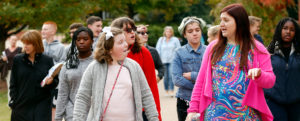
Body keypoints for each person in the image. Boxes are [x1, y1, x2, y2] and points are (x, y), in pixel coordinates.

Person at [186, 4, 276, 121]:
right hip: (215, 115)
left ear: (239, 22)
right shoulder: (213, 47)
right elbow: (201, 81)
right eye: (221, 20)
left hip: (246, 116)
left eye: (226, 20)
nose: (221, 24)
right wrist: (192, 109)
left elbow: (270, 81)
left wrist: (260, 74)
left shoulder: (257, 49)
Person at [73, 27, 158, 121]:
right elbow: (82, 98)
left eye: (125, 41)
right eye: (120, 42)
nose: (126, 44)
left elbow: (146, 95)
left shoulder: (134, 67)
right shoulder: (94, 67)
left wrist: (154, 118)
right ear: (109, 48)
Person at [111, 17, 161, 121]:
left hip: (141, 110)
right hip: (115, 111)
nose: (132, 32)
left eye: (133, 29)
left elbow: (151, 87)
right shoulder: (109, 54)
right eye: (128, 30)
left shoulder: (144, 53)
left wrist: (157, 116)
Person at [9, 30, 58, 121]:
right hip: (21, 106)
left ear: (36, 44)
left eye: (28, 44)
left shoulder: (47, 60)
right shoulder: (18, 60)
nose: (25, 46)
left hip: (42, 107)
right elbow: (13, 83)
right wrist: (14, 101)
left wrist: (51, 82)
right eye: (24, 43)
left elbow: (55, 81)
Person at [172, 16, 207, 121]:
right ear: (184, 34)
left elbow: (213, 76)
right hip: (185, 101)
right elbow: (177, 79)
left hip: (205, 101)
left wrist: (193, 75)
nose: (195, 33)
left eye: (197, 30)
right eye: (190, 31)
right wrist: (201, 85)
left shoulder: (210, 51)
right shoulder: (178, 53)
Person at [265, 17, 300, 121]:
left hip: (296, 102)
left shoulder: (298, 53)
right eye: (285, 28)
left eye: (292, 29)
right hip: (274, 101)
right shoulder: (269, 53)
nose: (288, 32)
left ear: (295, 33)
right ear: (280, 30)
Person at [55, 27, 94, 121]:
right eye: (78, 39)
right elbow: (62, 93)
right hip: (72, 114)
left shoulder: (99, 62)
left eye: (85, 39)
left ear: (92, 41)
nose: (81, 42)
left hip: (94, 113)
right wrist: (58, 117)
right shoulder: (67, 65)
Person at [41, 21, 65, 121]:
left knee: (53, 109)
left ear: (53, 31)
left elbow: (62, 64)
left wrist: (52, 76)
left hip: (54, 83)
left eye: (45, 29)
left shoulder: (60, 47)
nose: (42, 31)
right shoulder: (40, 44)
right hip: (40, 82)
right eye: (42, 29)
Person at [156, 26, 181, 96]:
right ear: (165, 32)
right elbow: (158, 50)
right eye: (167, 31)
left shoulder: (175, 40)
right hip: (163, 60)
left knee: (171, 75)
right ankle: (166, 90)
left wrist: (177, 58)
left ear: (171, 32)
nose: (168, 33)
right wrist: (158, 60)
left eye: (169, 31)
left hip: (172, 60)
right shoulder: (161, 40)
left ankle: (172, 90)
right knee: (165, 76)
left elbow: (178, 49)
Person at [0, 35, 22, 102]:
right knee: (10, 86)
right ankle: (11, 102)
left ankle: (18, 101)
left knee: (19, 86)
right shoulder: (5, 51)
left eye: (15, 40)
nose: (13, 41)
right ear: (9, 40)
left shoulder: (20, 49)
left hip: (18, 71)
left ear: (17, 41)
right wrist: (3, 59)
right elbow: (2, 62)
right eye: (12, 40)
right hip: (9, 71)